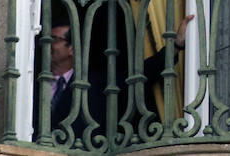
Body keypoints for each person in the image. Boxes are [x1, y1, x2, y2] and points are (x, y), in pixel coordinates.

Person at [45, 14, 193, 140]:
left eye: (54, 40)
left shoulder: (92, 84)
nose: (47, 45)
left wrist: (176, 46)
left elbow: (138, 77)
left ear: (72, 48)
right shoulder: (33, 84)